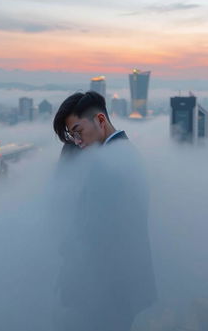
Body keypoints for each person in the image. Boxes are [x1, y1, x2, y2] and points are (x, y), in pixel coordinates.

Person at [52, 91, 156, 331]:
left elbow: (98, 233)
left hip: (108, 293)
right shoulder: (121, 155)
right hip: (116, 291)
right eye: (72, 135)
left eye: (78, 131)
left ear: (100, 120)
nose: (77, 141)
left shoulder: (111, 164)